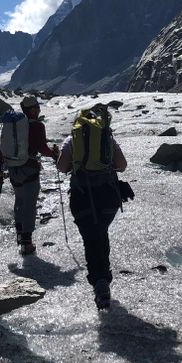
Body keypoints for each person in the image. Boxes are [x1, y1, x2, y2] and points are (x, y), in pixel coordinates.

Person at [56, 105, 128, 310]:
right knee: (101, 233)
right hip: (107, 196)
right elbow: (122, 165)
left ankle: (100, 283)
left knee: (91, 238)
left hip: (82, 197)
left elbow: (62, 167)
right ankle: (103, 280)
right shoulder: (108, 138)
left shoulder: (71, 140)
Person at [0, 96, 58, 256]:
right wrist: (54, 154)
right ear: (32, 109)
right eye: (36, 107)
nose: (38, 110)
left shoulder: (13, 126)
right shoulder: (37, 126)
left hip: (13, 170)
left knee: (20, 201)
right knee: (30, 204)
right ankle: (26, 242)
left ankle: (19, 233)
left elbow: (2, 148)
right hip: (29, 168)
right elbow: (42, 148)